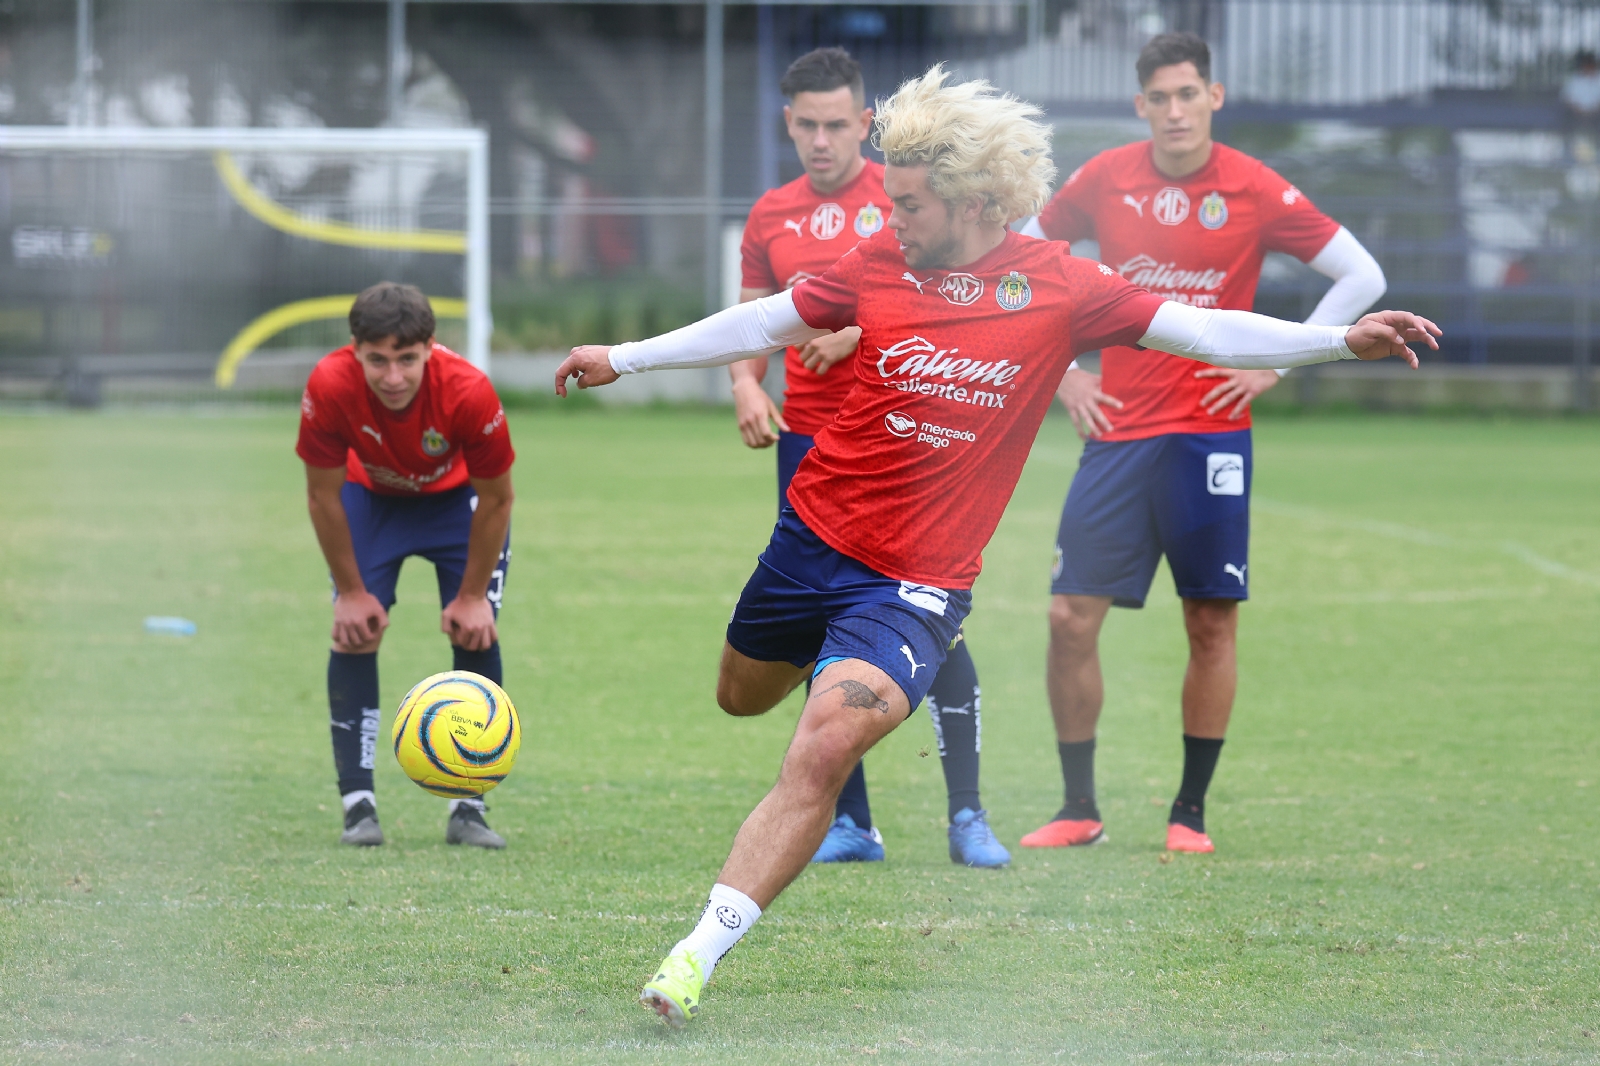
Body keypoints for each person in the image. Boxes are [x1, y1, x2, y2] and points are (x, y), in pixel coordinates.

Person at [553, 66, 1435, 1028]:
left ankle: (693, 957)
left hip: (917, 583)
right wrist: (624, 358)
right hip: (810, 541)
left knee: (824, 745)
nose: (890, 218)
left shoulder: (1061, 284)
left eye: (909, 203)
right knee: (741, 697)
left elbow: (1207, 329)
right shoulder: (875, 266)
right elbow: (763, 319)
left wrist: (1340, 341)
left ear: (974, 202)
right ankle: (826, 661)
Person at [1017, 32, 1388, 856]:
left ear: (1213, 98)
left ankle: (1190, 813)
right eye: (1160, 97)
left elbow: (1361, 277)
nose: (1175, 111)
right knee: (1069, 616)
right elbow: (1023, 260)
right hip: (1117, 432)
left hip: (1211, 435)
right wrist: (1063, 372)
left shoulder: (1252, 186)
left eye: (1189, 94)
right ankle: (1079, 807)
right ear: (1140, 105)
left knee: (1210, 623)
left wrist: (1275, 367)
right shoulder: (1104, 177)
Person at [732, 46, 1006, 869]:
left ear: (866, 123)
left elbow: (952, 299)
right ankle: (851, 822)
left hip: (910, 451)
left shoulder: (912, 199)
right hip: (812, 450)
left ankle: (968, 813)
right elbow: (755, 320)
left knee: (935, 634)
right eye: (806, 125)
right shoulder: (769, 214)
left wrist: (853, 331)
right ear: (790, 124)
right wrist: (747, 387)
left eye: (837, 124)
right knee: (821, 629)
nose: (822, 140)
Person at [296, 281, 515, 849]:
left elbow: (497, 499)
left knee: (475, 631)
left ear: (430, 348)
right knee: (355, 632)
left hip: (456, 504)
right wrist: (349, 591)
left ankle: (471, 807)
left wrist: (471, 597)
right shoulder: (328, 383)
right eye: (377, 361)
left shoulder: (469, 391)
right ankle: (358, 805)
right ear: (354, 350)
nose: (392, 378)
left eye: (407, 360)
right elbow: (322, 494)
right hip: (373, 502)